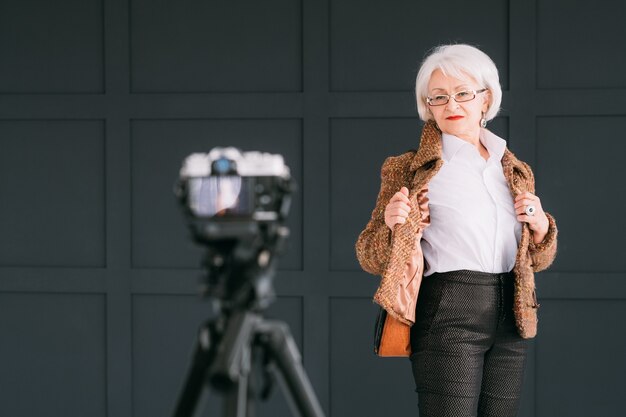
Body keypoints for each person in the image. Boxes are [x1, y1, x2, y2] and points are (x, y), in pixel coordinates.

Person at [355, 44, 558, 417]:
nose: (452, 105)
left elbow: (536, 260)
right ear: (427, 105)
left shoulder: (514, 169)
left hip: (513, 314)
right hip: (450, 308)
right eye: (439, 97)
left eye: (463, 93)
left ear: (486, 99)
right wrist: (391, 224)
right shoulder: (409, 169)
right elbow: (369, 255)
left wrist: (543, 228)